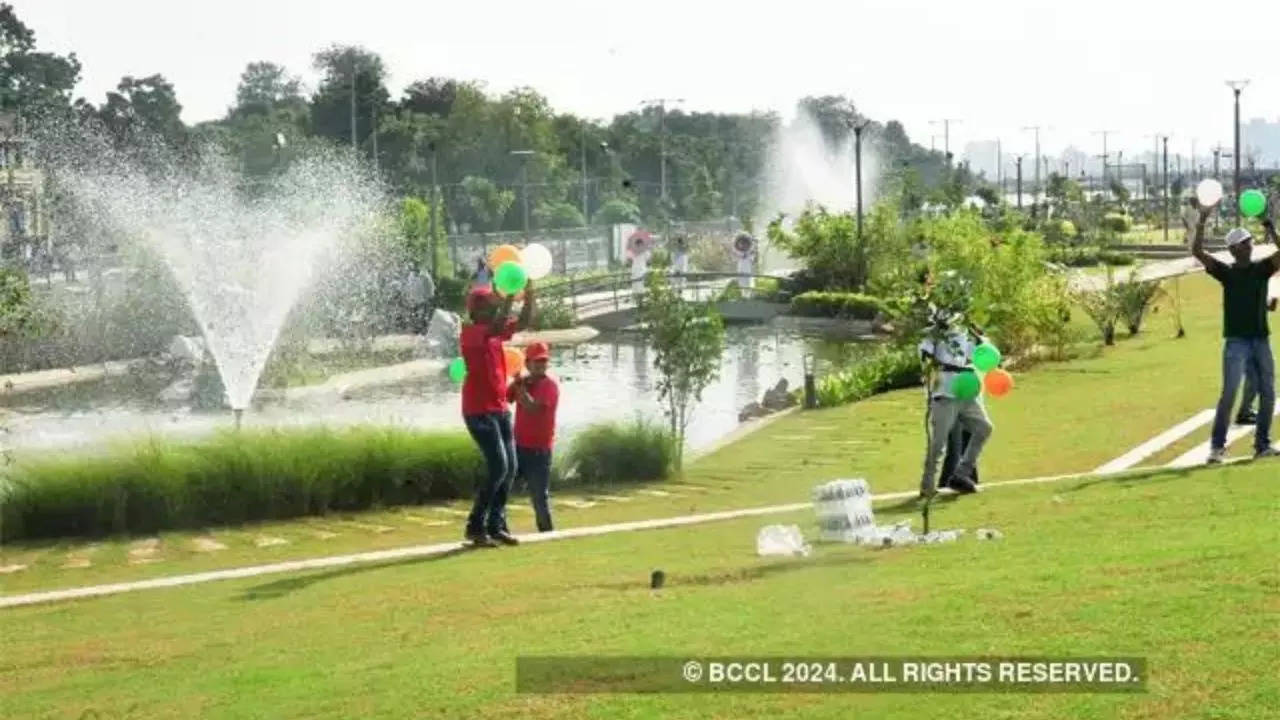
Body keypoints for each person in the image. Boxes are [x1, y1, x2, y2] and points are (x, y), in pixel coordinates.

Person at [1190, 199, 1280, 462]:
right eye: (1245, 243)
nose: (1251, 245)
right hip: (1236, 343)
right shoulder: (1226, 273)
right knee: (1229, 395)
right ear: (1233, 249)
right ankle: (1216, 448)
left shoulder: (1262, 269)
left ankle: (1262, 445)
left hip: (1261, 340)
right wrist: (1203, 217)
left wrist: (1268, 224)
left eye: (1251, 241)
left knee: (1269, 393)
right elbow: (1197, 251)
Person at [460, 281, 536, 546]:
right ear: (478, 310)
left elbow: (524, 322)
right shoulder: (470, 333)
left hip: (500, 408)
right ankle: (475, 526)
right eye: (491, 306)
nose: (495, 310)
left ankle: (496, 525)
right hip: (478, 412)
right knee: (499, 467)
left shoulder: (493, 335)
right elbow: (496, 324)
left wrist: (530, 293)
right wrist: (509, 297)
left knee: (511, 467)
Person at [918, 308, 991, 497]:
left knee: (984, 428)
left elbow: (980, 354)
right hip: (944, 394)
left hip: (965, 392)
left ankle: (961, 474)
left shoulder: (966, 333)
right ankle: (927, 485)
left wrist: (980, 338)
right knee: (938, 443)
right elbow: (924, 358)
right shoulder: (934, 336)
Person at [507, 341, 559, 532]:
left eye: (544, 361)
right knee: (504, 490)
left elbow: (533, 408)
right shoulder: (523, 382)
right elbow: (505, 398)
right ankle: (499, 529)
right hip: (518, 446)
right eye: (536, 361)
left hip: (540, 450)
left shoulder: (549, 386)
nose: (541, 365)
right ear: (527, 363)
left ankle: (547, 534)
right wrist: (517, 382)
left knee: (539, 496)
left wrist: (521, 387)